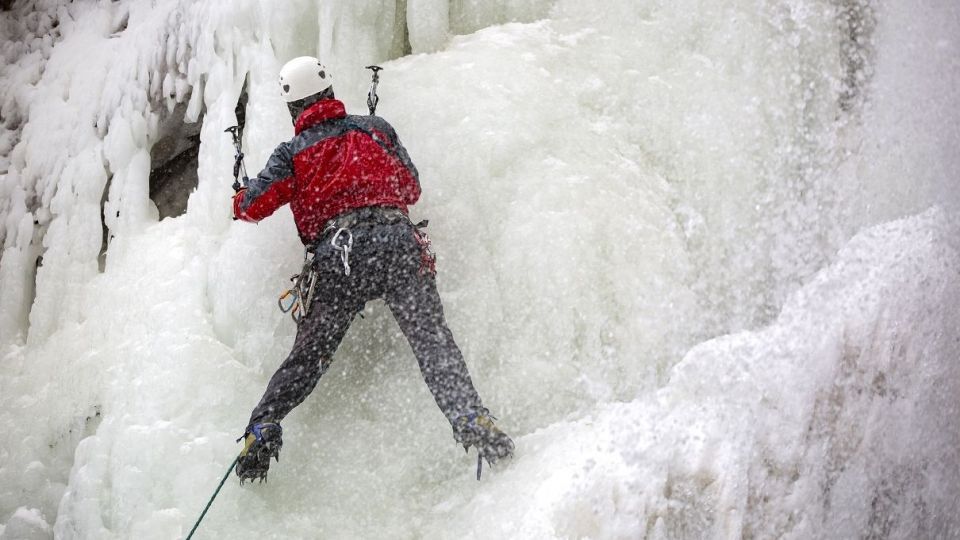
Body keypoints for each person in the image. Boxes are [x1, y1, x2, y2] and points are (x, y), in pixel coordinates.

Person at [231, 56, 514, 482]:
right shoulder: (377, 130)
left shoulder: (292, 154)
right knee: (434, 344)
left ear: (294, 107)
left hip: (339, 257)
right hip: (398, 245)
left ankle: (263, 427)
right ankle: (471, 417)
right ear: (329, 92)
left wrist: (240, 194)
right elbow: (411, 189)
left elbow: (250, 207)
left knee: (308, 358)